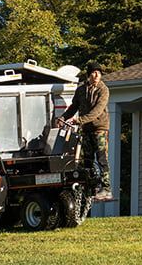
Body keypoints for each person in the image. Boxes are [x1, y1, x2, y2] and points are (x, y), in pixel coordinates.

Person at [61, 61, 112, 201]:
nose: (96, 75)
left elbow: (97, 112)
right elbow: (73, 106)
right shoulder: (81, 90)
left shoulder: (103, 90)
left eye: (99, 73)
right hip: (86, 129)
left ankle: (106, 188)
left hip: (100, 128)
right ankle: (89, 188)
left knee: (101, 158)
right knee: (86, 161)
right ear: (89, 74)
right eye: (94, 72)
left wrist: (79, 120)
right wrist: (63, 118)